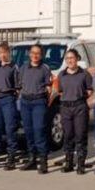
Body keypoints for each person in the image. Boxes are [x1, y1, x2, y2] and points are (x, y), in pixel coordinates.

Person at [54, 49, 93, 174]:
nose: (70, 60)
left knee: (80, 135)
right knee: (68, 135)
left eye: (72, 58)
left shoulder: (84, 74)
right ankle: (69, 162)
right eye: (67, 58)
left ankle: (81, 164)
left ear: (77, 59)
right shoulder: (61, 74)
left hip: (80, 106)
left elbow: (90, 91)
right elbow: (59, 91)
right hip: (65, 108)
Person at [18, 44, 53, 174]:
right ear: (29, 54)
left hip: (39, 102)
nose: (35, 55)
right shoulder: (23, 68)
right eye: (33, 52)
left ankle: (43, 161)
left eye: (38, 53)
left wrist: (44, 100)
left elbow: (49, 88)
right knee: (28, 131)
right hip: (25, 102)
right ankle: (32, 159)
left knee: (39, 131)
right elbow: (20, 85)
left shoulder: (45, 68)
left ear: (41, 55)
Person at [0, 41, 21, 171]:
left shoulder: (14, 67)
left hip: (8, 98)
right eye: (0, 53)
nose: (2, 55)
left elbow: (18, 87)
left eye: (4, 53)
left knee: (10, 129)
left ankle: (11, 157)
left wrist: (13, 97)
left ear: (8, 53)